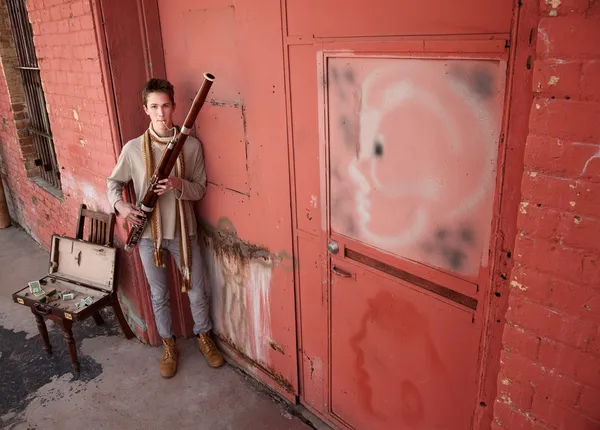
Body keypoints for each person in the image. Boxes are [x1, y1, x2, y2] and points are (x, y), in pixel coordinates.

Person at [106, 78, 224, 378]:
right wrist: (122, 206)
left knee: (197, 292)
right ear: (146, 109)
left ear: (174, 107)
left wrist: (176, 183)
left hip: (186, 233)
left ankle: (204, 337)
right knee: (159, 295)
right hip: (148, 237)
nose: (161, 113)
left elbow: (199, 189)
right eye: (154, 107)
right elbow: (113, 184)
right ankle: (168, 344)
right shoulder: (133, 149)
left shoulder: (191, 145)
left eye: (166, 106)